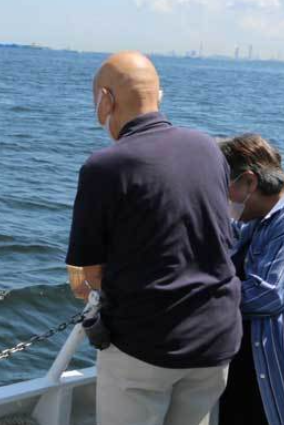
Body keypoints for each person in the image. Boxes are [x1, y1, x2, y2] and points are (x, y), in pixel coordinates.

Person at [66, 51, 241, 425]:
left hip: (146, 343)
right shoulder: (208, 148)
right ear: (159, 96)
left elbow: (87, 274)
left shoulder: (104, 167)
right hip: (215, 337)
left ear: (105, 100)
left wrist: (93, 292)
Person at [218, 134, 284, 425]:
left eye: (224, 188)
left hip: (269, 365)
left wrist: (198, 299)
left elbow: (267, 295)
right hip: (243, 360)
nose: (222, 199)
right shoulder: (254, 219)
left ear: (249, 182)